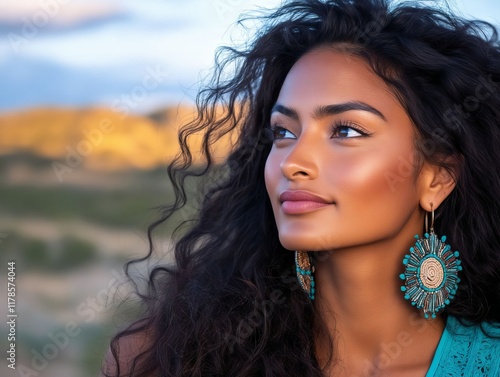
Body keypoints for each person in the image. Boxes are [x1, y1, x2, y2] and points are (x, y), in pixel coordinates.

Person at [102, 0, 500, 376]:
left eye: (345, 130)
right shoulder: (169, 357)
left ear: (437, 177)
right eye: (283, 132)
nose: (292, 162)